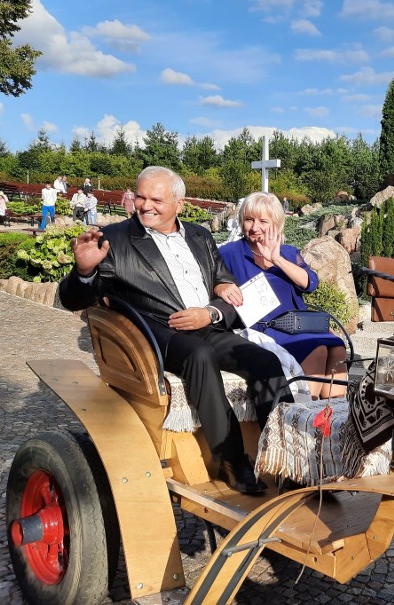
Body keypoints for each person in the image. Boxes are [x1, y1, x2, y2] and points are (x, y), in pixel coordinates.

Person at [59, 166, 289, 494]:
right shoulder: (118, 240)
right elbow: (75, 299)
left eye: (157, 199)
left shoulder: (200, 235)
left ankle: (288, 456)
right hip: (161, 333)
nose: (145, 205)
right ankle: (232, 460)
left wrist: (209, 312)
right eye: (140, 196)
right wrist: (83, 270)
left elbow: (227, 285)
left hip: (207, 326)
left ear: (179, 204)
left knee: (265, 362)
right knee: (199, 354)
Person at [218, 191, 348, 399]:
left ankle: (331, 416)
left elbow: (310, 283)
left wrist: (276, 259)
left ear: (276, 224)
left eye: (263, 221)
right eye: (249, 219)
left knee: (337, 348)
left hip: (297, 324)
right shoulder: (230, 252)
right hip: (264, 326)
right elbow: (215, 281)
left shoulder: (287, 252)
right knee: (319, 348)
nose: (255, 227)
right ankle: (301, 414)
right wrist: (221, 287)